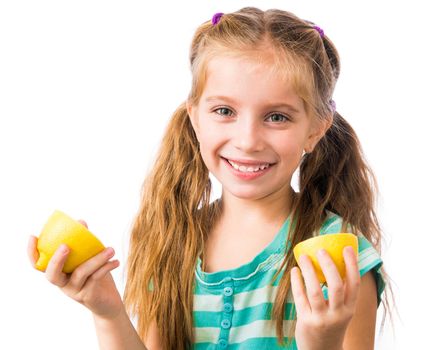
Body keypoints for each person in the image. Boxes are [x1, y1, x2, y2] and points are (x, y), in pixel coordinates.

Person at [28, 7, 390, 350]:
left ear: (316, 129)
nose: (248, 140)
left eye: (277, 117)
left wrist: (322, 344)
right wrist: (108, 312)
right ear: (195, 116)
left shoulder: (341, 255)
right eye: (224, 111)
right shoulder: (173, 241)